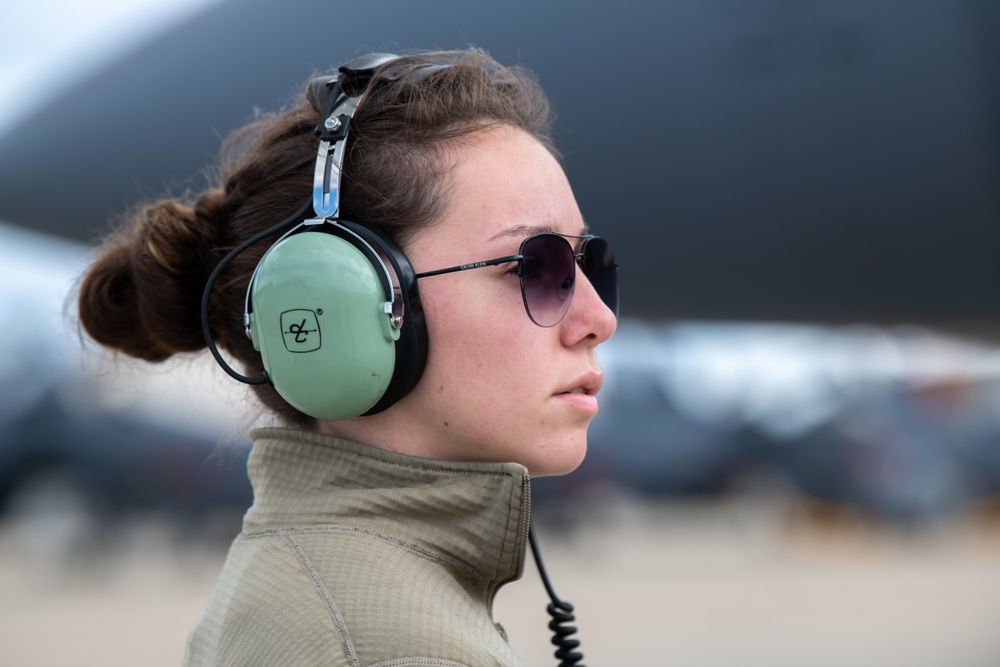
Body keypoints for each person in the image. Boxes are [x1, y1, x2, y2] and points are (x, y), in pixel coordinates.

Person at [77, 49, 618, 667]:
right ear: (339, 306)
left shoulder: (306, 587)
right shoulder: (391, 649)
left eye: (589, 264)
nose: (599, 319)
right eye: (535, 266)